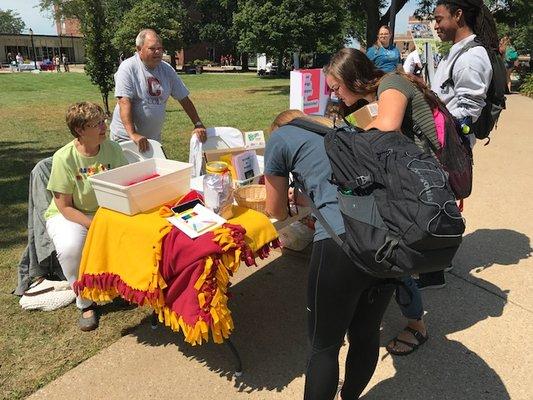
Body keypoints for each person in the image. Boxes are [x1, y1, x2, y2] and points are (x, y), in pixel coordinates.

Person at [324, 47, 447, 356]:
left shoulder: (390, 84)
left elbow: (386, 128)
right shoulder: (372, 97)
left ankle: (416, 324)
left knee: (396, 254)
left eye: (337, 88)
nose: (335, 95)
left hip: (421, 186)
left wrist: (342, 138)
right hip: (413, 180)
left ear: (353, 79)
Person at [265, 109, 394, 400]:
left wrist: (288, 203)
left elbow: (274, 210)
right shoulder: (344, 133)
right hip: (389, 241)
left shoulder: (280, 137)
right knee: (366, 334)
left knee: (324, 346)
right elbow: (337, 187)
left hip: (342, 245)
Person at [423, 0, 500, 289]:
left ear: (458, 15)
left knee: (438, 204)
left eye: (439, 18)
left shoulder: (471, 56)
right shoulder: (458, 51)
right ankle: (434, 264)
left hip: (447, 144)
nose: (436, 25)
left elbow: (468, 110)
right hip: (439, 139)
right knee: (434, 203)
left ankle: (435, 268)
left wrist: (439, 132)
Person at [44, 102, 128, 331]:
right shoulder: (64, 158)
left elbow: (124, 183)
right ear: (80, 130)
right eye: (97, 124)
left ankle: (121, 286)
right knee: (71, 248)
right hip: (70, 214)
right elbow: (64, 206)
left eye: (104, 121)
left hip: (105, 210)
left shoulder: (113, 149)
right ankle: (85, 302)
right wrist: (94, 224)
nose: (105, 126)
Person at [109, 29, 207, 152]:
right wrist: (132, 134)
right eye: (152, 48)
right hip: (126, 138)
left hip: (152, 140)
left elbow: (183, 98)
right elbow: (124, 101)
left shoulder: (166, 69)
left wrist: (198, 124)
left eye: (160, 48)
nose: (158, 52)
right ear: (139, 49)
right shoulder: (128, 68)